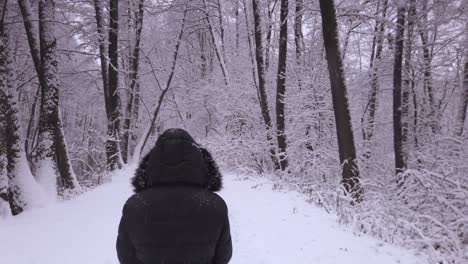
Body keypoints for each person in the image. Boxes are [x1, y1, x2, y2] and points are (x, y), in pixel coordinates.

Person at [116, 128, 232, 264]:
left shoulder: (135, 205)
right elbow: (223, 256)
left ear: (151, 164)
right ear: (201, 162)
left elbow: (125, 256)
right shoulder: (215, 205)